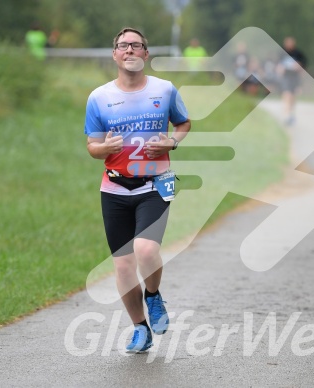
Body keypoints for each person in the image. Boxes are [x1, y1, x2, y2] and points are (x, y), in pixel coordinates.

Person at [84, 27, 191, 353]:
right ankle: (139, 328)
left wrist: (172, 141)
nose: (129, 50)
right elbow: (92, 145)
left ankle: (154, 296)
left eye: (136, 45)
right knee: (123, 266)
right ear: (115, 54)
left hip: (157, 182)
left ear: (146, 53)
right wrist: (105, 149)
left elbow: (183, 124)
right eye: (123, 46)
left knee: (146, 250)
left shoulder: (165, 89)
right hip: (114, 187)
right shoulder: (99, 97)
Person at [277, 36, 307, 126]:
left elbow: (303, 65)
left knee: (292, 96)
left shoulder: (298, 54)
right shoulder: (281, 53)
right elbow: (278, 65)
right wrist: (279, 70)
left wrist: (299, 66)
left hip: (295, 77)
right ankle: (286, 115)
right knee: (286, 95)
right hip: (286, 77)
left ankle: (291, 113)